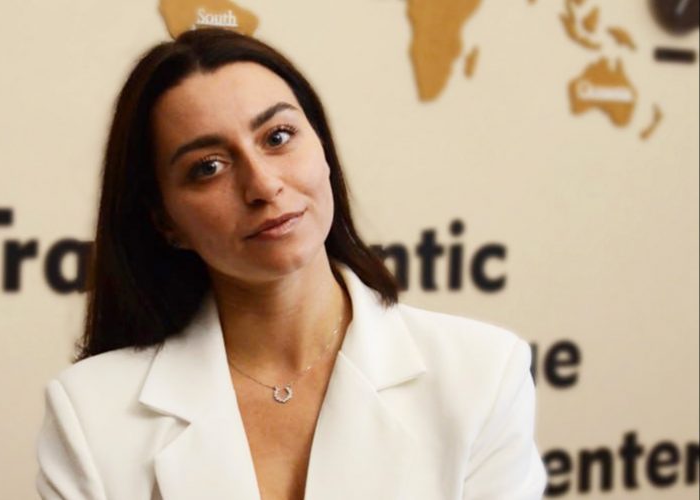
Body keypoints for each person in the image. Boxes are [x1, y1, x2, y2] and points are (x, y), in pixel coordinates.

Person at [36, 28, 547, 500]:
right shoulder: (90, 413)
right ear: (165, 221)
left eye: (277, 137)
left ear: (322, 147)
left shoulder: (481, 374)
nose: (262, 185)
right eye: (208, 167)